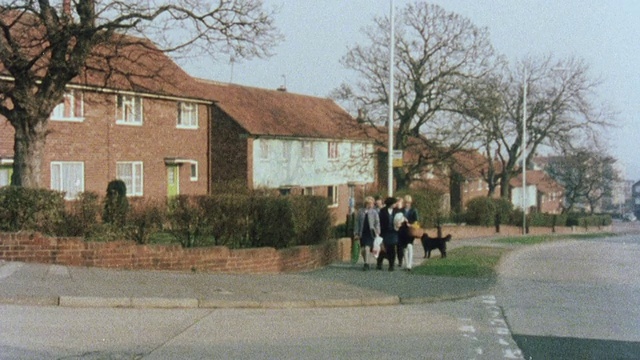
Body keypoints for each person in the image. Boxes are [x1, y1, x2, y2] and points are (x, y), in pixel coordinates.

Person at [353, 196, 381, 271]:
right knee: (363, 250)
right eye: (369, 204)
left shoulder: (374, 212)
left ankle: (366, 264)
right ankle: (367, 261)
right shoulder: (360, 211)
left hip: (370, 233)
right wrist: (356, 233)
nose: (371, 205)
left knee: (367, 248)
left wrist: (378, 231)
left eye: (372, 204)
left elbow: (377, 222)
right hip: (362, 233)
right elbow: (357, 223)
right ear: (366, 204)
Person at [376, 197, 403, 271]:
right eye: (394, 203)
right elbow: (379, 222)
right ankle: (379, 262)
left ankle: (391, 265)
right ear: (390, 204)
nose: (395, 204)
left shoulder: (396, 211)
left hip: (394, 232)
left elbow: (401, 219)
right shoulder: (382, 211)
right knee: (383, 248)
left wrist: (400, 224)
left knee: (392, 248)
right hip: (384, 232)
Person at [398, 194, 419, 271]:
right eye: (406, 202)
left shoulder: (414, 210)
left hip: (410, 231)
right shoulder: (401, 210)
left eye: (408, 202)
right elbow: (398, 219)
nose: (407, 204)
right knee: (404, 248)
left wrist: (410, 224)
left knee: (410, 246)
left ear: (410, 203)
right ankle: (406, 264)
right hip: (402, 231)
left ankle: (409, 265)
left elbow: (416, 222)